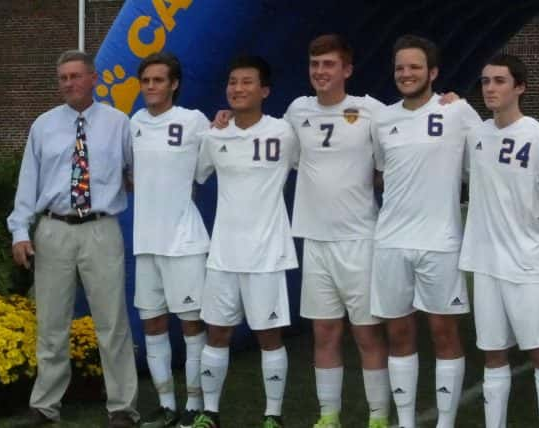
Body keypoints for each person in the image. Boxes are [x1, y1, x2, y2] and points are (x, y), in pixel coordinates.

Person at [7, 50, 138, 428]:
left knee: (112, 321)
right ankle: (45, 406)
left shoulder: (118, 123)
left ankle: (122, 408)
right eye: (63, 77)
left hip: (101, 228)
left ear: (93, 79)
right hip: (53, 230)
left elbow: (138, 169)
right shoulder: (43, 126)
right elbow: (27, 183)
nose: (69, 83)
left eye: (76, 76)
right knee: (51, 321)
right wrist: (20, 231)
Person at [459, 53, 539, 428]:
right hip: (485, 264)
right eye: (485, 81)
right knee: (493, 355)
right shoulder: (476, 134)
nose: (490, 88)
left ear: (520, 87)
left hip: (528, 263)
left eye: (499, 81)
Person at [369, 34, 482, 428]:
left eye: (415, 67)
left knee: (444, 333)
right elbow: (383, 173)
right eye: (400, 67)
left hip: (441, 242)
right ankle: (405, 421)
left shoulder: (459, 113)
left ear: (432, 72)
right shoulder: (383, 119)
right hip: (390, 243)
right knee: (398, 335)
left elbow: (482, 166)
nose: (406, 74)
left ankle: (445, 422)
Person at [283, 34, 391, 428]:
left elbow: (397, 148)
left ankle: (378, 417)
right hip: (315, 241)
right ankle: (329, 415)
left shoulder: (370, 111)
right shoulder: (297, 111)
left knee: (366, 335)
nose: (320, 72)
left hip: (360, 240)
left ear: (346, 69)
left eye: (328, 65)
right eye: (314, 65)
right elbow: (274, 146)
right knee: (324, 333)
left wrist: (447, 102)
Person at [193, 55, 299, 428]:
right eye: (233, 82)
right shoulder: (215, 134)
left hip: (267, 255)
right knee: (216, 333)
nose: (238, 89)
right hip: (223, 254)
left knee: (268, 336)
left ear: (264, 90)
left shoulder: (285, 132)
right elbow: (194, 175)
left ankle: (272, 415)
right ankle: (210, 412)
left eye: (247, 82)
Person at [130, 52, 211, 428]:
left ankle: (195, 404)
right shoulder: (134, 124)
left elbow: (211, 165)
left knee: (192, 324)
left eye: (158, 80)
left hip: (185, 242)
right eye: (145, 81)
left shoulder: (194, 121)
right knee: (152, 324)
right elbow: (129, 175)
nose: (150, 87)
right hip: (146, 242)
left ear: (174, 84)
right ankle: (167, 405)